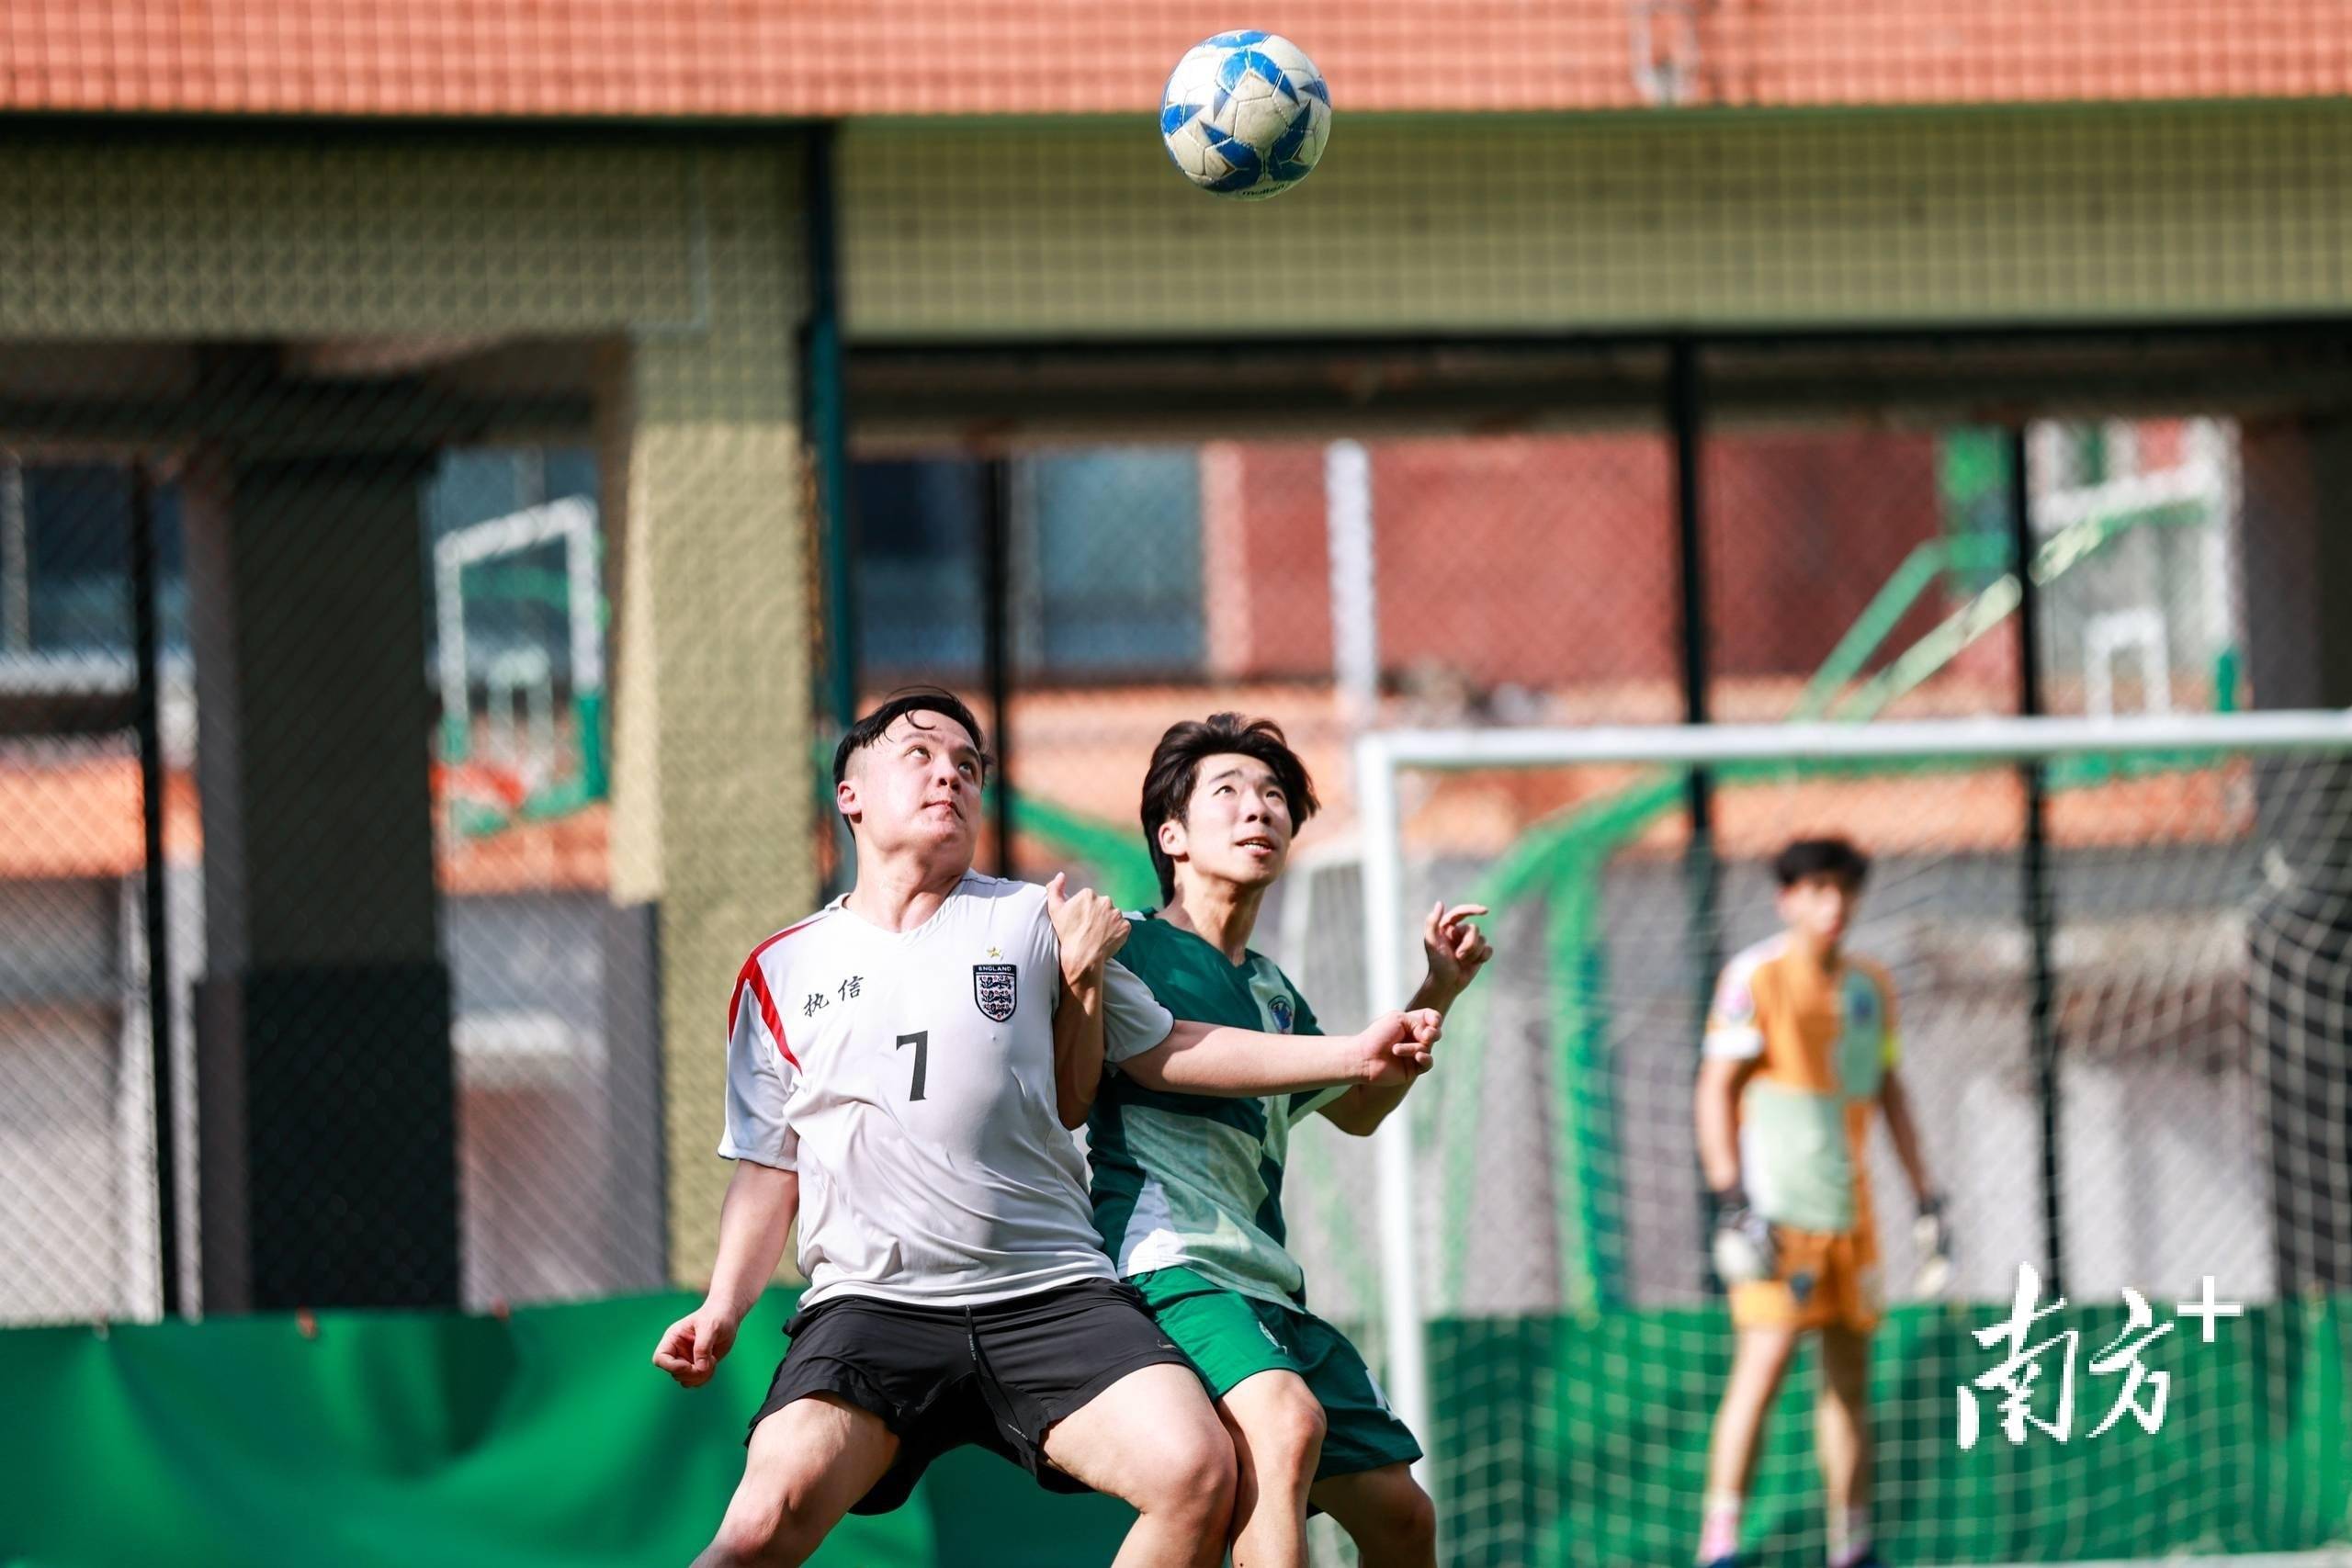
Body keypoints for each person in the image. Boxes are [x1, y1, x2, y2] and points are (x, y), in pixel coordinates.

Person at [651, 690, 1442, 1568]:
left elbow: (1155, 1053)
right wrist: (723, 1306)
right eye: (919, 754)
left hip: (1048, 1292)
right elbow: (770, 1164)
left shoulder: (1035, 918)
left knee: (1199, 1469)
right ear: (851, 794)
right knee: (761, 1524)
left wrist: (1351, 1047)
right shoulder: (780, 967)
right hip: (873, 1305)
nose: (949, 772)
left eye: (969, 764)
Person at [1085, 713, 1494, 1568]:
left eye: (1274, 796)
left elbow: (1356, 1107)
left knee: (1401, 1517)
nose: (1258, 810)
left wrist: (1438, 990)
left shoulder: (1272, 988)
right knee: (1285, 1421)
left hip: (1267, 1282)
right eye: (1228, 793)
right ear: (1173, 835)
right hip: (1170, 1264)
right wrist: (1355, 1046)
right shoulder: (1131, 945)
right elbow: (1168, 1059)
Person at [1692, 837, 1948, 1568]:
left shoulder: (1871, 985)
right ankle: (1721, 1545)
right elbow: (1715, 1088)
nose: (1832, 904)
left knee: (1849, 1386)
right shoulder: (1755, 975)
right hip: (1778, 1214)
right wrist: (1732, 1195)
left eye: (1843, 889)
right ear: (1788, 897)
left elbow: (1890, 1090)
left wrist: (1925, 1193)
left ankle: (1852, 1546)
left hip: (1853, 1218)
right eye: (1816, 889)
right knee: (1763, 1368)